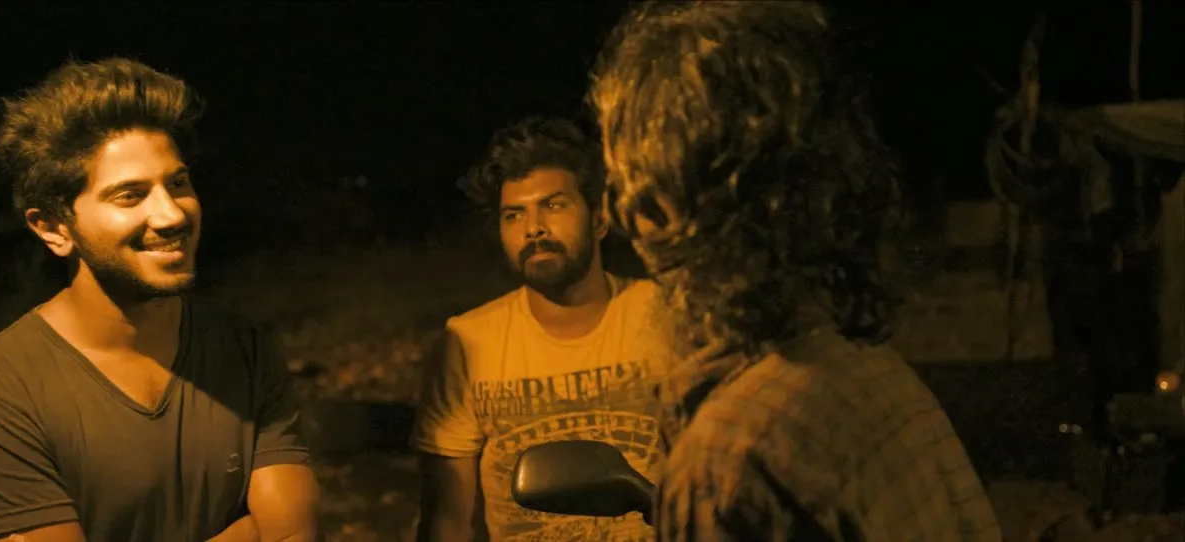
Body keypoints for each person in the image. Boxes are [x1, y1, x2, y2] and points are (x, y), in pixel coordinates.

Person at [589, 2, 1003, 540]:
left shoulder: (728, 461)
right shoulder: (873, 373)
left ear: (660, 210)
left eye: (625, 183)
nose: (619, 214)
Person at [0, 58, 321, 542]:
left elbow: (292, 534)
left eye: (177, 183)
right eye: (130, 195)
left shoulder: (241, 349)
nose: (170, 214)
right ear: (53, 228)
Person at [411, 116, 665, 541]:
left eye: (553, 205)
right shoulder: (469, 342)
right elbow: (447, 519)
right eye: (514, 215)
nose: (533, 228)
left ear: (599, 220)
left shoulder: (665, 315)